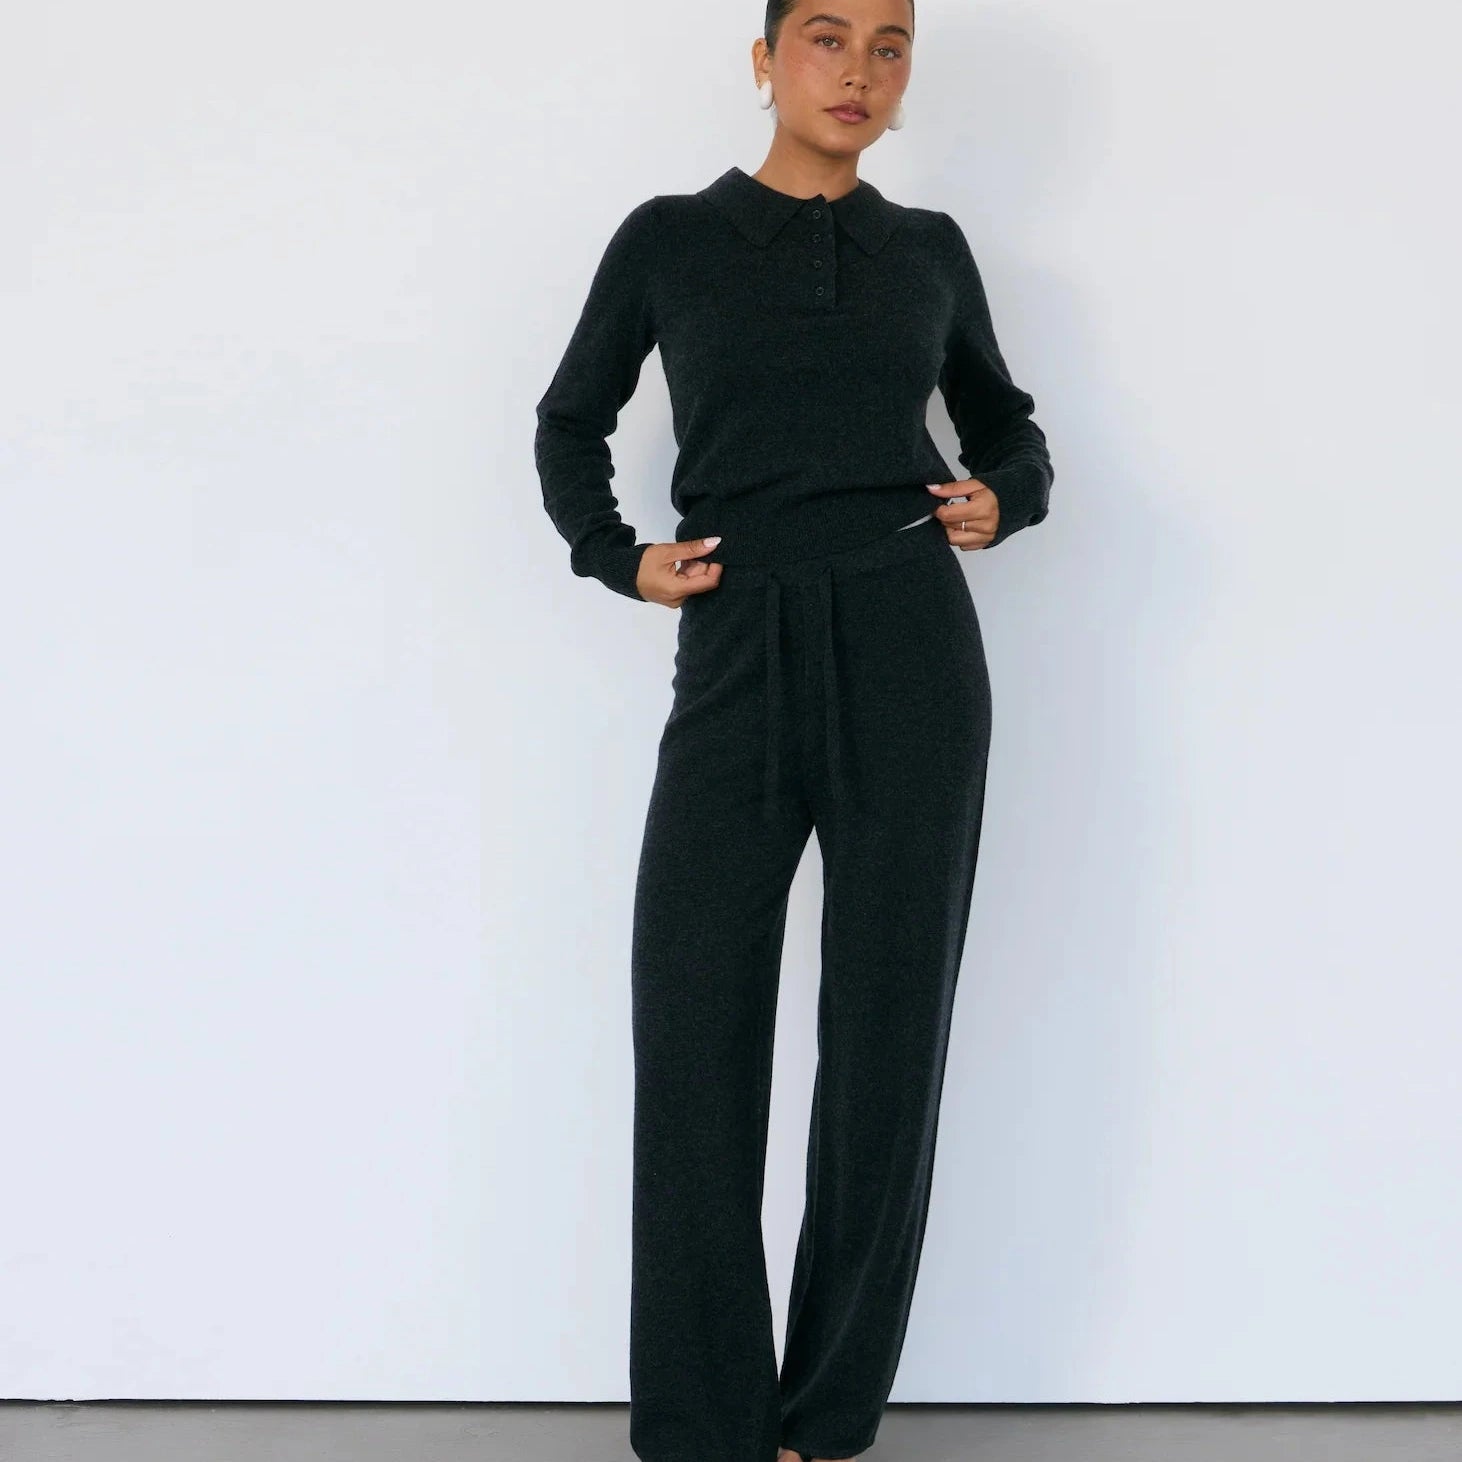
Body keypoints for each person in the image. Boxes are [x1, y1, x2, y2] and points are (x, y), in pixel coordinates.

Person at [533, 2, 1054, 1458]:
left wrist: (1003, 496)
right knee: (693, 1022)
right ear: (764, 61)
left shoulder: (928, 251)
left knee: (886, 1038)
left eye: (889, 46)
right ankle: (706, 1422)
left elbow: (1008, 426)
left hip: (908, 643)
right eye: (827, 39)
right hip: (737, 637)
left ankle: (823, 1418)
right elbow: (568, 421)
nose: (859, 72)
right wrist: (615, 554)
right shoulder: (668, 241)